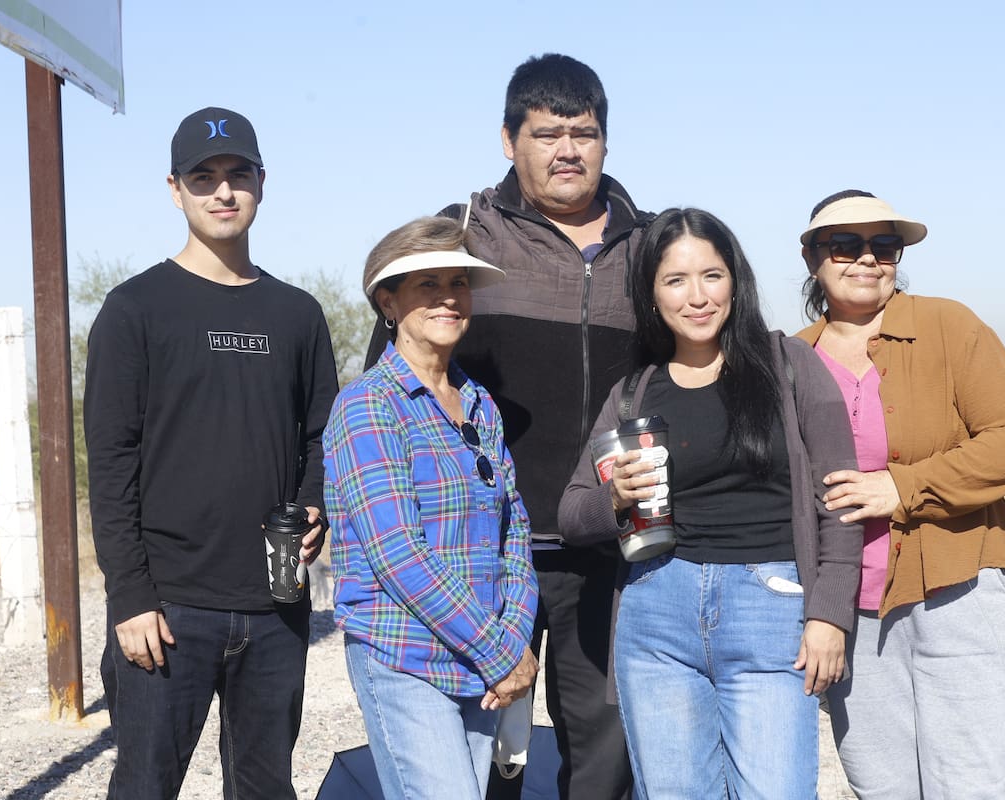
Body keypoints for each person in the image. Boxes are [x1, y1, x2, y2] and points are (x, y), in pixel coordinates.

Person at [364, 53, 649, 800]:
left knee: (604, 758)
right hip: (485, 559)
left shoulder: (652, 249)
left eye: (583, 133)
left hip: (610, 552)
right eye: (547, 133)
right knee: (488, 757)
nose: (567, 150)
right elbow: (385, 390)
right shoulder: (460, 240)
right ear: (507, 139)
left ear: (605, 142)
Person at [559, 207, 862, 798]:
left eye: (712, 276)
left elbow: (841, 504)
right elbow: (572, 514)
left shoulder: (789, 365)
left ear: (736, 281)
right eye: (675, 280)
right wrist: (614, 498)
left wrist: (829, 615)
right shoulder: (634, 392)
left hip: (770, 611)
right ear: (651, 295)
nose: (696, 297)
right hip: (655, 614)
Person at [84, 107, 338, 799]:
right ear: (175, 190)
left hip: (277, 606)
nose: (223, 192)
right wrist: (130, 597)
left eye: (237, 175)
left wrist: (314, 503)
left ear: (262, 182)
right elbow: (109, 463)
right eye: (204, 178)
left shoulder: (296, 314)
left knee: (264, 788)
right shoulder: (136, 309)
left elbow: (322, 434)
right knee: (145, 786)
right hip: (168, 609)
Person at [795, 190, 1005, 799]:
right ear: (813, 259)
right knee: (881, 787)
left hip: (960, 589)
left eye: (884, 245)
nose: (867, 259)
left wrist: (901, 487)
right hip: (848, 606)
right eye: (845, 245)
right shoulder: (791, 356)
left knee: (970, 785)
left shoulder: (948, 325)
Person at [327, 216, 539, 800]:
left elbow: (512, 526)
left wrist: (516, 634)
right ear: (387, 302)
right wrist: (501, 651)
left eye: (458, 281)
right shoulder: (368, 407)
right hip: (406, 658)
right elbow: (398, 555)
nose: (448, 296)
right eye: (427, 284)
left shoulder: (478, 403)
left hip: (481, 666)